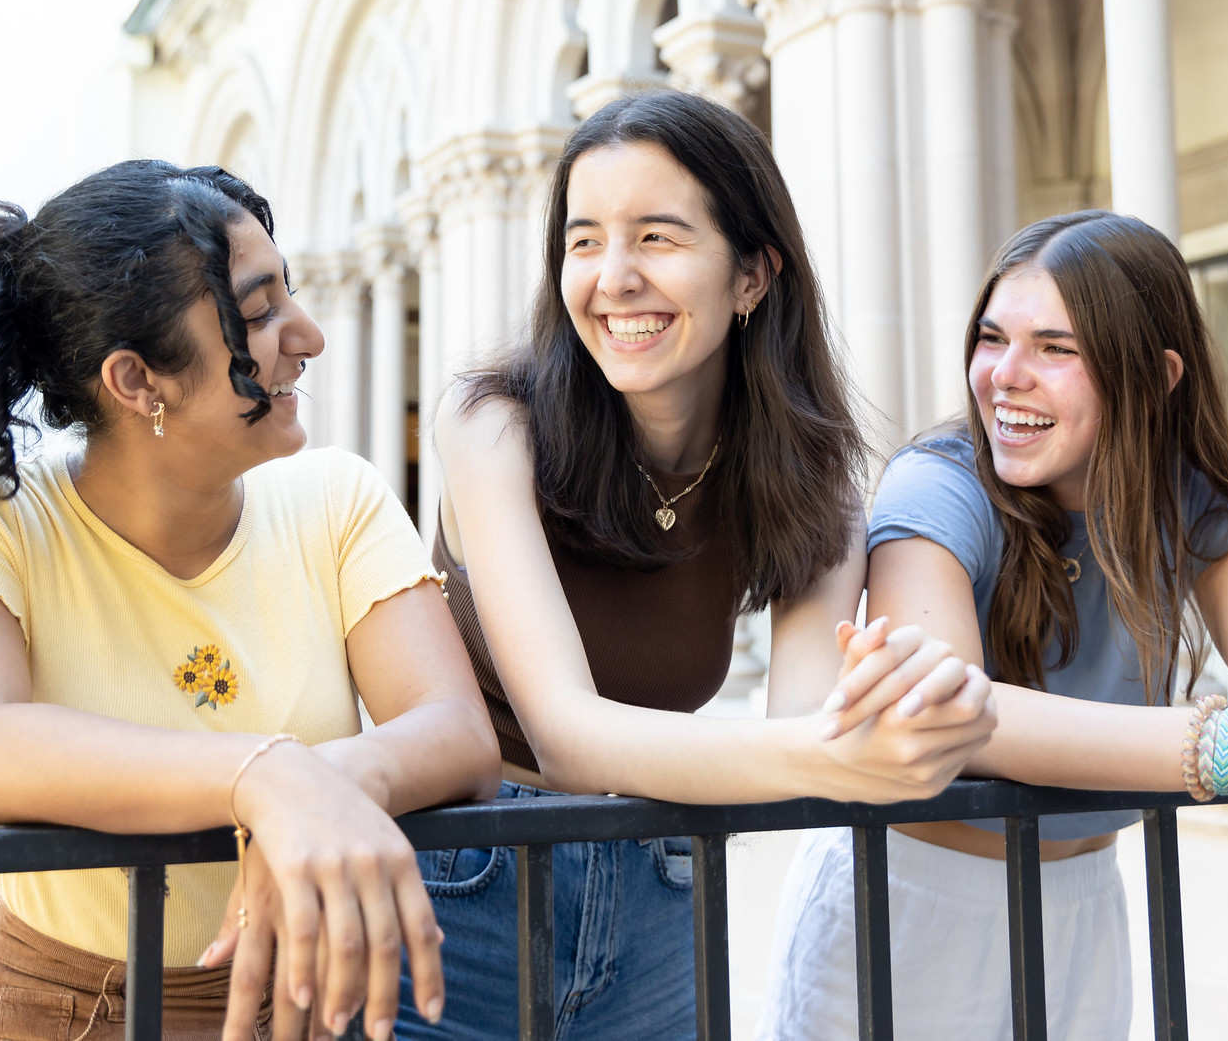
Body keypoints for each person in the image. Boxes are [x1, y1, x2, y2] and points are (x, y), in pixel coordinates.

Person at [0, 161, 500, 1041]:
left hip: (296, 1009)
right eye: (257, 314)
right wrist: (264, 775)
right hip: (63, 1017)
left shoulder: (339, 500)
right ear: (138, 380)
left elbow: (455, 729)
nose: (309, 334)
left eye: (286, 294)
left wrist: (330, 782)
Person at [759, 209, 1228, 1040]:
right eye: (993, 337)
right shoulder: (937, 483)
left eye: (1056, 349)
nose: (1005, 375)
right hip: (908, 895)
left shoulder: (1190, 499)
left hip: (1084, 903)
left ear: (1156, 375)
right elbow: (945, 703)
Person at [400, 90, 997, 1040]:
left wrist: (892, 708)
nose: (613, 277)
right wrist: (838, 754)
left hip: (660, 894)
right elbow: (566, 735)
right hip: (457, 896)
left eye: (658, 238)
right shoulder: (494, 424)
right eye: (585, 240)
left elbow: (807, 724)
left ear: (753, 275)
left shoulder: (810, 479)